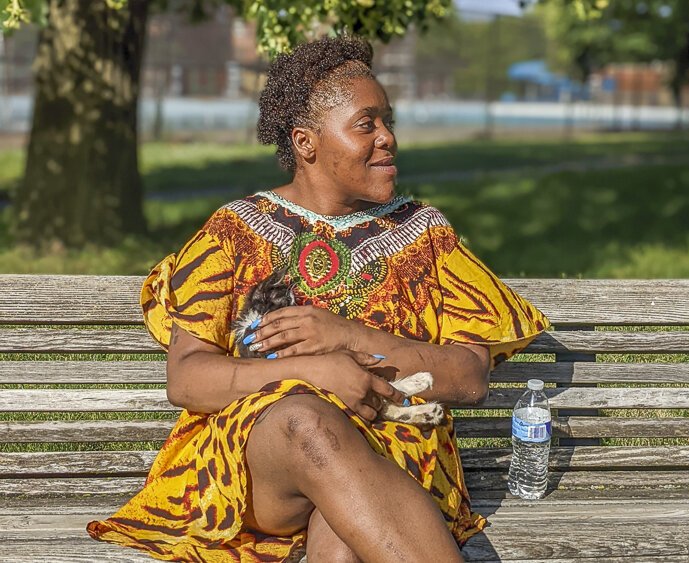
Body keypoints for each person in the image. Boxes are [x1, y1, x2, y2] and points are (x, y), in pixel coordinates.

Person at [87, 36, 551, 562]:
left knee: (342, 542)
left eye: (388, 121)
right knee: (306, 419)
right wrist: (315, 373)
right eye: (366, 124)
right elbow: (188, 378)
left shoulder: (424, 235)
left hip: (393, 453)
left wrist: (350, 336)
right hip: (259, 467)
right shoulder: (234, 233)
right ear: (306, 142)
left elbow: (468, 378)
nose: (388, 138)